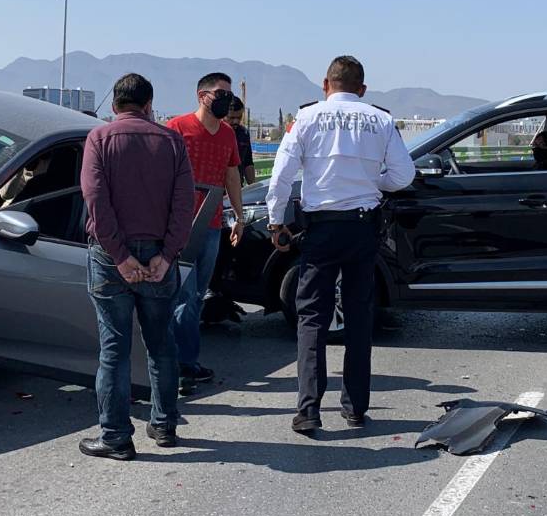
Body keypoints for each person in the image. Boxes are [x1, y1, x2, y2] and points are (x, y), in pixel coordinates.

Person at [266, 55, 414, 434]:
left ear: (325, 85)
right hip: (363, 229)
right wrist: (369, 182)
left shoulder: (306, 117)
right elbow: (403, 174)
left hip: (320, 230)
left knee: (312, 318)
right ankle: (355, 409)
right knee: (359, 317)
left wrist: (275, 220)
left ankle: (309, 410)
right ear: (362, 89)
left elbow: (282, 175)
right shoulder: (380, 119)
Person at [78, 73, 196, 460]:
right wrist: (166, 256)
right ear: (149, 105)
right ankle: (164, 425)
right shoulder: (172, 142)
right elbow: (183, 205)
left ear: (114, 106)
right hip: (161, 255)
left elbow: (95, 199)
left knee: (114, 349)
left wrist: (120, 256)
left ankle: (114, 436)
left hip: (111, 258)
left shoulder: (99, 139)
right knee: (162, 343)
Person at [167, 72, 246, 395]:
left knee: (196, 296)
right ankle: (182, 364)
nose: (226, 99)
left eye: (229, 93)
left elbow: (232, 176)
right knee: (183, 297)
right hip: (180, 225)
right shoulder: (176, 128)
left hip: (211, 226)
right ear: (202, 96)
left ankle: (181, 360)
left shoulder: (228, 134)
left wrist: (239, 217)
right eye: (220, 93)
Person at [226, 97, 257, 185]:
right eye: (231, 118)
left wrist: (253, 187)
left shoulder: (243, 133)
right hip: (219, 190)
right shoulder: (216, 132)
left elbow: (248, 162)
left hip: (237, 187)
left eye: (239, 117)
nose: (236, 121)